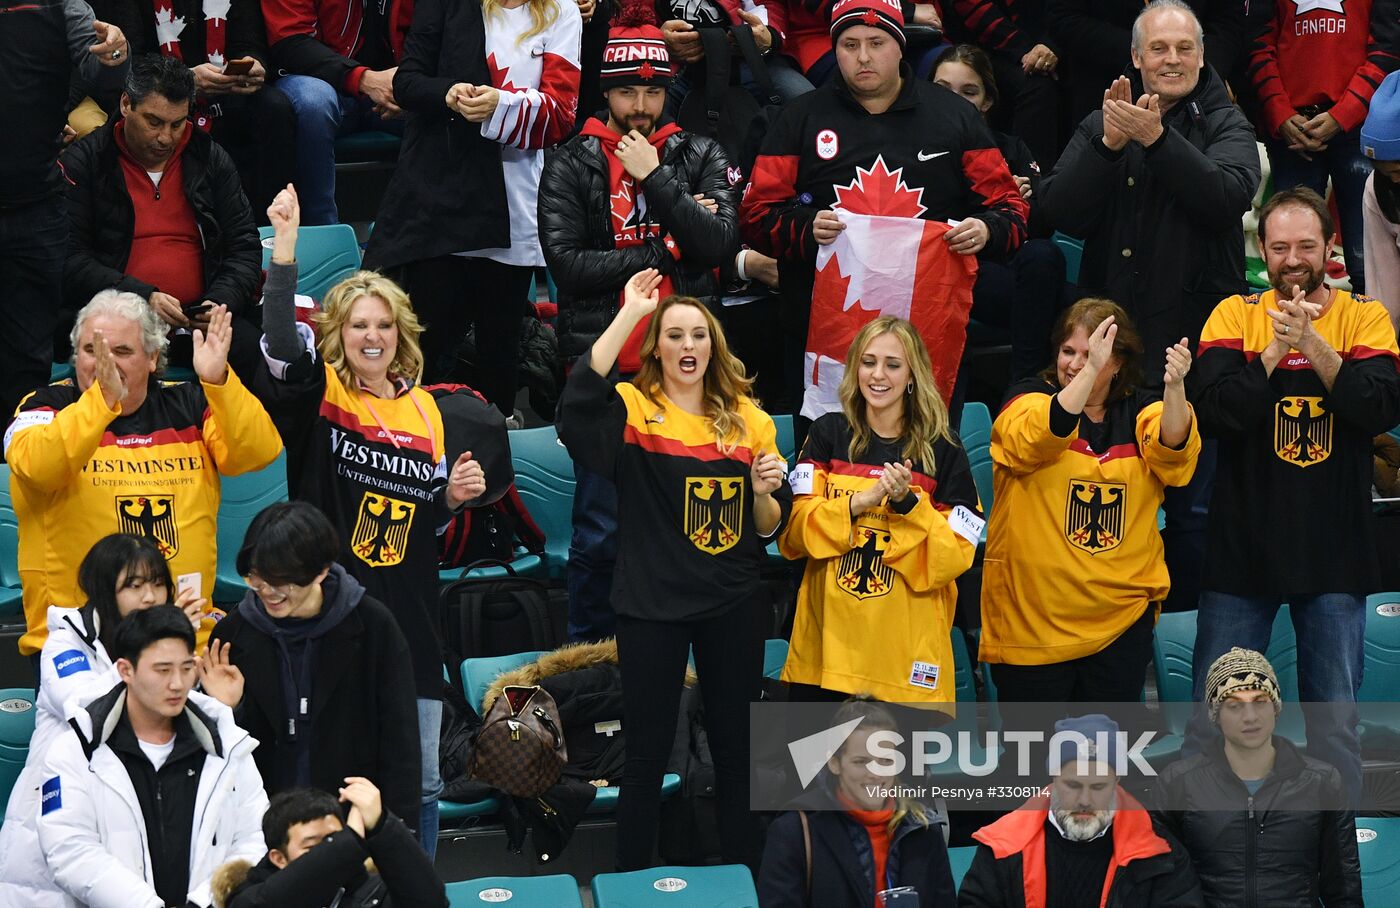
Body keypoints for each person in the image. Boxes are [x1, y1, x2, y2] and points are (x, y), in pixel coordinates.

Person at [254, 185, 487, 856]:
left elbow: (424, 530)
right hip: (331, 618)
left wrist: (450, 502)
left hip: (412, 621)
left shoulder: (428, 414)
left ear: (401, 334)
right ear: (338, 336)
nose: (372, 336)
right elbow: (277, 339)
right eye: (358, 325)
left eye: (383, 325)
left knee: (421, 784)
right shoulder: (320, 393)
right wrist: (287, 250)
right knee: (335, 789)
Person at [557, 268, 792, 870]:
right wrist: (630, 313)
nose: (688, 347)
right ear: (656, 347)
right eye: (675, 336)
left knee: (740, 752)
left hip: (732, 601)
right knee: (646, 754)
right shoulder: (633, 410)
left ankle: (746, 877)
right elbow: (577, 401)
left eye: (698, 336)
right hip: (652, 604)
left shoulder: (749, 420)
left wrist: (765, 491)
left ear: (713, 346)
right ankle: (632, 883)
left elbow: (768, 528)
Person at [1039, 0, 1258, 613]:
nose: (1172, 59)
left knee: (1191, 511)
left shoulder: (1226, 121)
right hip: (1114, 357)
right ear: (1135, 57)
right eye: (1158, 49)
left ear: (1202, 54)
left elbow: (1227, 198)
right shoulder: (1105, 121)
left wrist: (1156, 140)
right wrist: (1109, 145)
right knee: (1105, 498)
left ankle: (1187, 639)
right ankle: (1106, 625)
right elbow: (1057, 211)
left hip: (1197, 356)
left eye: (1184, 48)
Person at [1186, 186, 1400, 805]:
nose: (1293, 258)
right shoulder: (1233, 314)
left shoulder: (1366, 318)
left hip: (1335, 555)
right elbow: (1219, 413)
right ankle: (1209, 854)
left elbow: (1376, 407)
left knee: (1334, 732)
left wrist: (1313, 344)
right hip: (1240, 552)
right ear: (1262, 250)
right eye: (1280, 247)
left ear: (1330, 248)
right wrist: (1278, 347)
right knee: (1210, 727)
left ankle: (1340, 865)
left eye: (1307, 245)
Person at [538, 5, 739, 642]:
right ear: (607, 91)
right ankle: (588, 660)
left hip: (691, 373)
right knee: (600, 532)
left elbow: (717, 242)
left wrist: (657, 179)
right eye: (628, 90)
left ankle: (678, 662)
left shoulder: (700, 152)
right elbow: (569, 265)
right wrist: (667, 249)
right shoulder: (571, 160)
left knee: (692, 527)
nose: (642, 105)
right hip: (610, 372)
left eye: (653, 89)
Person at [742, 0, 1028, 418]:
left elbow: (1012, 211)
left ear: (900, 46)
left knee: (927, 468)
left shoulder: (956, 117)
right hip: (819, 337)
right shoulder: (797, 118)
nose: (862, 57)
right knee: (823, 470)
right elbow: (754, 217)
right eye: (849, 44)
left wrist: (986, 231)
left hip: (930, 334)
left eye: (876, 42)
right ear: (833, 48)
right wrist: (804, 228)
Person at [5, 291, 282, 667]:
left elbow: (257, 452)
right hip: (79, 649)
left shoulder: (191, 403)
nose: (104, 362)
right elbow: (39, 466)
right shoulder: (42, 406)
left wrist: (218, 381)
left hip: (185, 642)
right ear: (75, 356)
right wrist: (101, 402)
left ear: (153, 358)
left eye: (121, 351)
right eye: (91, 349)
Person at [364, 0, 581, 411]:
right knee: (425, 350)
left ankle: (497, 457)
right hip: (443, 201)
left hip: (512, 206)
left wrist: (500, 106)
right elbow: (408, 81)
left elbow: (561, 114)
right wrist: (446, 92)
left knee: (499, 355)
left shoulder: (561, 10)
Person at [979, 299, 1200, 702]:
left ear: (1119, 363)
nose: (1076, 364)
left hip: (1119, 624)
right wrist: (1090, 369)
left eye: (1092, 354)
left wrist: (1175, 388)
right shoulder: (1027, 398)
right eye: (1069, 352)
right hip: (1033, 627)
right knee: (1031, 764)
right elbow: (1039, 437)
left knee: (1108, 763)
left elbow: (1174, 453)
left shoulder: (1140, 409)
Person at [0, 534, 232, 907]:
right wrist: (156, 646)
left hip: (131, 805)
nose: (150, 598)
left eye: (158, 584)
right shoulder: (65, 643)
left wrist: (218, 702)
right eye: (134, 586)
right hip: (56, 814)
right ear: (105, 590)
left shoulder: (170, 646)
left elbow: (173, 713)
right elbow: (90, 710)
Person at [780, 317, 982, 705]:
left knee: (896, 768)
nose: (878, 374)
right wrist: (858, 503)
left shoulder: (944, 450)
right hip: (826, 657)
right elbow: (794, 533)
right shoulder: (826, 434)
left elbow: (957, 555)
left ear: (912, 376)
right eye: (868, 362)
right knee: (810, 767)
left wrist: (909, 505)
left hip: (905, 662)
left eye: (892, 364)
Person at [209, 501, 422, 834]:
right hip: (262, 825)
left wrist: (395, 831)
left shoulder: (372, 625)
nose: (268, 592)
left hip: (350, 820)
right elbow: (217, 753)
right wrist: (229, 709)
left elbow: (401, 742)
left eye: (283, 582)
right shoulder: (233, 635)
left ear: (321, 570)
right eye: (257, 579)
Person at [37, 605, 268, 908]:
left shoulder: (227, 743)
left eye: (186, 669)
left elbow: (253, 837)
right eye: (162, 670)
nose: (177, 684)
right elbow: (70, 849)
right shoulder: (76, 748)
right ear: (125, 670)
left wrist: (204, 902)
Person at [61, 54, 265, 372]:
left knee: (258, 354)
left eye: (177, 123)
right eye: (154, 122)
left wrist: (219, 301)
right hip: (116, 320)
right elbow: (68, 260)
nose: (165, 137)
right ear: (127, 104)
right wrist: (142, 296)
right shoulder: (86, 163)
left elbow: (245, 246)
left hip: (198, 321)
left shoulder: (209, 157)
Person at [1152, 649, 1363, 908]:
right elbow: (1163, 885)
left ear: (1275, 708)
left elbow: (1343, 886)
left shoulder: (1322, 782)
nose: (1250, 716)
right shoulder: (1178, 783)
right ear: (1216, 716)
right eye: (1234, 705)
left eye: (1260, 701)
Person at [0, 0, 127, 423]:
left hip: (36, 207)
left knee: (29, 356)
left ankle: (21, 466)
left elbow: (101, 72)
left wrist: (114, 53)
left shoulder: (63, 7)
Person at [958, 715, 1206, 908]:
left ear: (1117, 780)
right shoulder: (1003, 847)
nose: (1085, 800)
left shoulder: (1160, 853)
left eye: (1098, 787)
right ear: (1054, 777)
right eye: (1073, 785)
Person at [81, 0, 297, 218]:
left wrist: (254, 64)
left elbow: (248, 41)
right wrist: (186, 80)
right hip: (158, 92)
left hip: (228, 89)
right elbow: (126, 61)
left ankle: (269, 226)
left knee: (274, 108)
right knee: (156, 115)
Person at [932, 43, 1067, 381]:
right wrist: (996, 205)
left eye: (969, 92)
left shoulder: (1009, 147)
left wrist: (1023, 208)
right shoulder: (913, 144)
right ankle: (1028, 385)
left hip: (1013, 266)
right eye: (942, 89)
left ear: (987, 102)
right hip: (951, 270)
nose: (954, 101)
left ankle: (1024, 384)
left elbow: (1044, 225)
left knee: (1044, 257)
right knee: (1064, 305)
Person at [1247, 0, 1400, 295]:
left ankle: (1373, 341)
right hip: (1292, 132)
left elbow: (1387, 47)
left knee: (1367, 266)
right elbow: (1256, 45)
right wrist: (1279, 114)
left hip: (1361, 130)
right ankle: (1294, 339)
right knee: (1294, 265)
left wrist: (1344, 115)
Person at [757, 697, 958, 907]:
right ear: (834, 763)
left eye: (885, 760)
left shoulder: (923, 828)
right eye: (861, 762)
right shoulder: (794, 831)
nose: (875, 773)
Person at [261, 0, 408, 225]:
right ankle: (322, 233)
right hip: (312, 80)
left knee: (440, 103)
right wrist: (363, 79)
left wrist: (411, 83)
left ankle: (423, 236)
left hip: (387, 84)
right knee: (314, 103)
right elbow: (291, 42)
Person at [214, 783, 448, 908]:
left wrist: (381, 825)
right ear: (278, 858)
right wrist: (348, 843)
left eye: (334, 839)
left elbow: (430, 903)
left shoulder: (371, 888)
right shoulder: (249, 896)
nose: (331, 850)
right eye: (312, 845)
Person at [1046, 0, 1246, 127]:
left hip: (1198, 100)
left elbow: (1227, 25)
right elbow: (1065, 18)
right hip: (1104, 95)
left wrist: (1199, 69)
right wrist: (1147, 53)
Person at [936, 0, 1064, 170]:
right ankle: (1027, 173)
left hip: (1042, 37)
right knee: (1036, 85)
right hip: (972, 42)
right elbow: (979, 15)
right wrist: (1027, 52)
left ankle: (1038, 179)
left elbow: (1060, 12)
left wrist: (1049, 44)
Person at [660, 0, 814, 107]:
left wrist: (765, 34)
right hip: (672, 65)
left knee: (806, 102)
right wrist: (657, 39)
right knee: (649, 109)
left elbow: (765, 4)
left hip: (741, 57)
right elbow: (638, 14)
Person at [1362, 69, 1400, 331]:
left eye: (1398, 170)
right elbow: (1382, 282)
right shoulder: (1378, 189)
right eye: (1387, 173)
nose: (1394, 181)